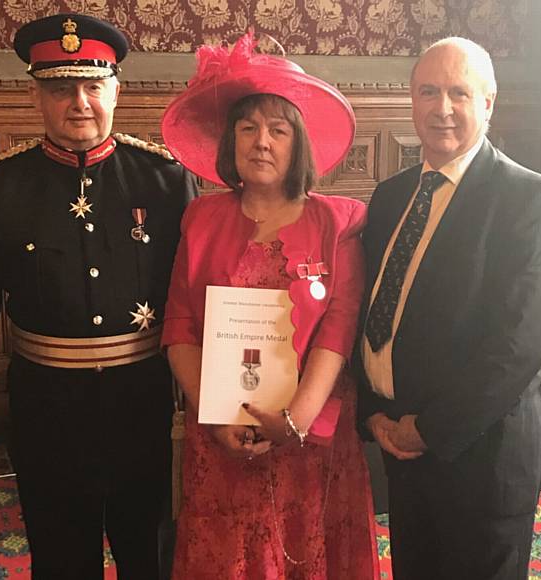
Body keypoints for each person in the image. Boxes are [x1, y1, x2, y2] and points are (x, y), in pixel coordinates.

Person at [0, 13, 197, 579]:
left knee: (151, 558)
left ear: (117, 89)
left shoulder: (165, 180)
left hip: (143, 405)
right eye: (61, 89)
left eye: (92, 86)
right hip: (45, 410)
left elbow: (196, 301)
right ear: (37, 95)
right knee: (61, 563)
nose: (79, 103)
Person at [160, 32, 379, 579]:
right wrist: (214, 415)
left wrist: (295, 419)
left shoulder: (339, 221)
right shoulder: (200, 218)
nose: (261, 142)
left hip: (311, 436)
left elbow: (339, 325)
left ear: (297, 143)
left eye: (277, 130)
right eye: (248, 127)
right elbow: (180, 325)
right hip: (220, 434)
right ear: (230, 141)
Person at [356, 36, 541, 580]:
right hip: (400, 442)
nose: (441, 108)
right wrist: (372, 410)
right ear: (411, 99)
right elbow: (370, 308)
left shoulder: (533, 199)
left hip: (480, 454)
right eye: (428, 91)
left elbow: (516, 347)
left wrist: (428, 429)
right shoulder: (390, 196)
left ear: (488, 104)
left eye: (458, 93)